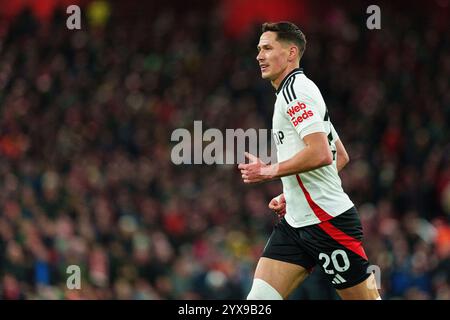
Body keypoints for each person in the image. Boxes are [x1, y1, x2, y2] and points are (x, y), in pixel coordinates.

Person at [238, 21, 381, 300]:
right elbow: (341, 155)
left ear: (291, 53)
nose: (259, 56)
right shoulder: (295, 91)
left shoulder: (295, 93)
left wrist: (269, 171)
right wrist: (290, 194)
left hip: (328, 222)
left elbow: (321, 153)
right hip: (295, 224)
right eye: (258, 49)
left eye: (267, 48)